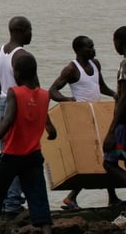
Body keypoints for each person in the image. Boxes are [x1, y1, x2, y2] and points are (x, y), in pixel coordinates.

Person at [0, 55, 57, 234]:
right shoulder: (45, 95)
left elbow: (8, 119)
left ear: (17, 74)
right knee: (38, 199)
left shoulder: (15, 93)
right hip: (33, 155)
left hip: (12, 155)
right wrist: (52, 130)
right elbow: (49, 126)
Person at [49, 35, 122, 210]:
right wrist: (68, 100)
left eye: (93, 46)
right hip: (80, 118)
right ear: (79, 50)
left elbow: (100, 86)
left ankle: (111, 197)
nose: (93, 49)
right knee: (92, 159)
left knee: (106, 156)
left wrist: (114, 94)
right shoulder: (71, 70)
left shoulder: (95, 64)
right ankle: (71, 197)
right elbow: (52, 91)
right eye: (90, 47)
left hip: (95, 114)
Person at [0, 16, 34, 215]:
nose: (32, 34)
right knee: (19, 155)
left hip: (3, 106)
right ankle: (12, 202)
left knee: (8, 155)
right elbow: (32, 89)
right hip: (18, 105)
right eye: (30, 29)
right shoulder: (22, 56)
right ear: (21, 30)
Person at [103, 27, 126, 197]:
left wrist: (111, 131)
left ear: (119, 42)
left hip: (124, 124)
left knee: (109, 163)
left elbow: (124, 99)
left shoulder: (125, 64)